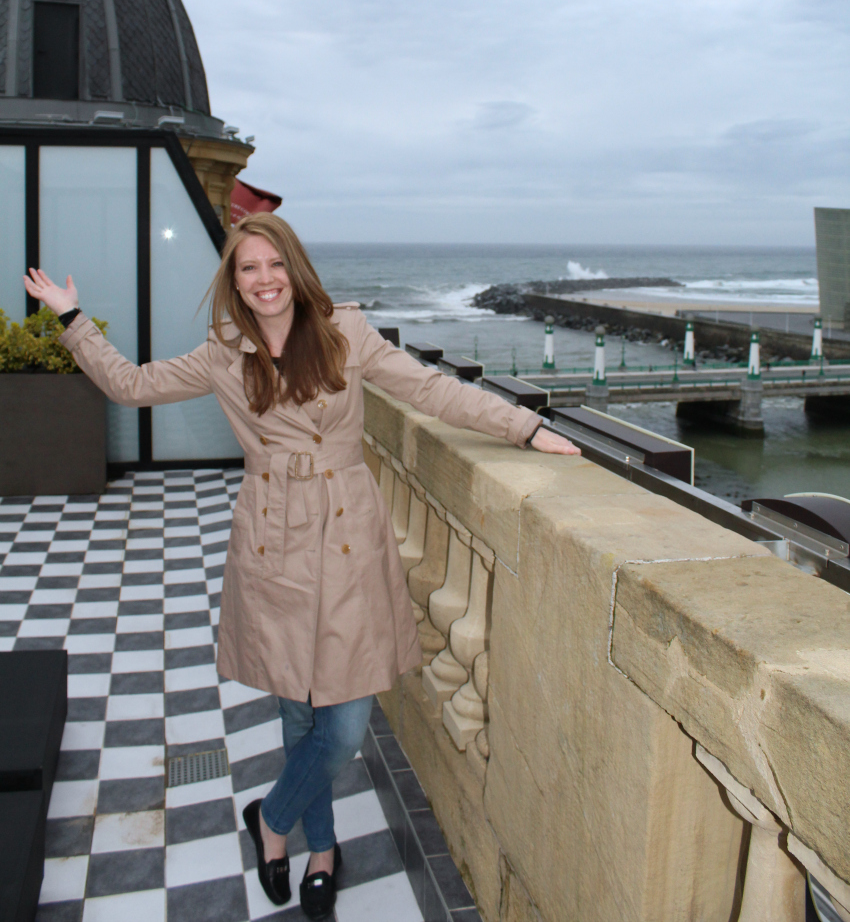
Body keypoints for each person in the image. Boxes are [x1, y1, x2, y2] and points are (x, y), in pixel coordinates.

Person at [25, 214, 579, 920]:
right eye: (248, 268)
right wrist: (71, 317)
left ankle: (271, 819)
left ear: (296, 267)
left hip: (348, 530)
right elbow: (132, 385)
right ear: (234, 281)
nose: (263, 279)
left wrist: (526, 426)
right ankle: (322, 846)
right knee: (297, 707)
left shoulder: (348, 333)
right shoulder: (224, 353)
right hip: (271, 538)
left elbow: (431, 390)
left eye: (274, 264)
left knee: (343, 727)